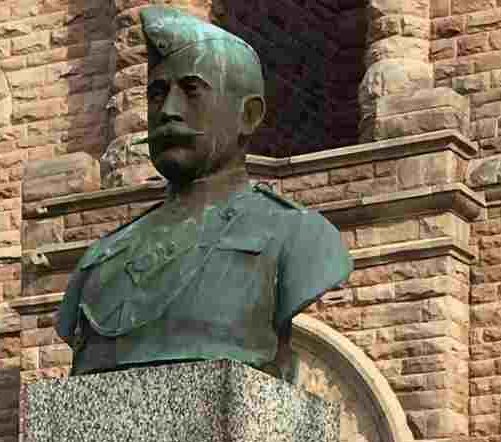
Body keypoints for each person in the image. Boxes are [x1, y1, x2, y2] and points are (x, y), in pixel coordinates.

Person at [56, 6, 352, 377]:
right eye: (157, 94)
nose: (168, 111)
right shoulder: (100, 259)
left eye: (191, 90)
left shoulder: (297, 236)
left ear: (249, 115)